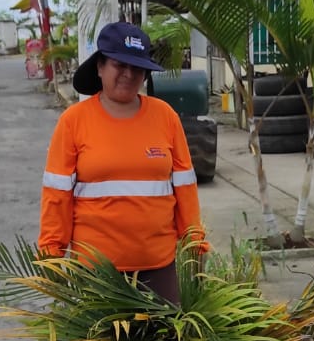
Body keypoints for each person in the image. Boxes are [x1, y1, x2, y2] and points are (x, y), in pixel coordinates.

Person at [39, 21, 207, 305]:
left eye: (137, 68)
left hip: (158, 269)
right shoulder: (73, 121)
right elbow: (57, 196)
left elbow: (185, 189)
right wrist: (51, 256)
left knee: (165, 334)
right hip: (95, 272)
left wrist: (196, 245)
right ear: (100, 67)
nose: (129, 74)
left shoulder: (166, 117)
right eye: (119, 65)